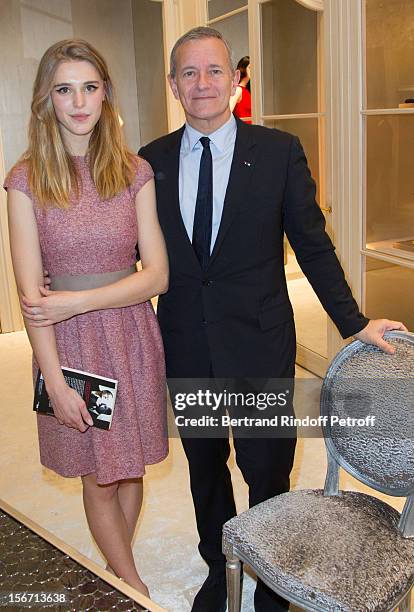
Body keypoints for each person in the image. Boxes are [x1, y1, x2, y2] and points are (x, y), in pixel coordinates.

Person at [25, 28, 406, 612]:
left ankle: (275, 577)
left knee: (266, 466)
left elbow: (313, 245)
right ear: (174, 85)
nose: (201, 84)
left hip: (259, 345)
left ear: (235, 80)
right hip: (183, 344)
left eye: (213, 71)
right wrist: (68, 282)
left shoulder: (279, 151)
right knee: (204, 468)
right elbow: (122, 250)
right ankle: (216, 564)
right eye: (188, 73)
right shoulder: (146, 162)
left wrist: (353, 323)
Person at [4, 39, 169, 601]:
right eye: (64, 89)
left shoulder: (134, 171)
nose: (79, 101)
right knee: (99, 474)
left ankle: (114, 568)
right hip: (68, 349)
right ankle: (134, 587)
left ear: (106, 95)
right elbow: (31, 296)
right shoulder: (25, 180)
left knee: (131, 467)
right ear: (46, 100)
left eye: (90, 87)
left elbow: (158, 276)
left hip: (132, 336)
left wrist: (77, 301)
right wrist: (52, 377)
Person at [230, 55, 252, 123]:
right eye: (250, 68)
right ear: (243, 68)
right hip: (242, 130)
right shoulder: (238, 89)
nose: (253, 70)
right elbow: (228, 112)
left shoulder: (249, 91)